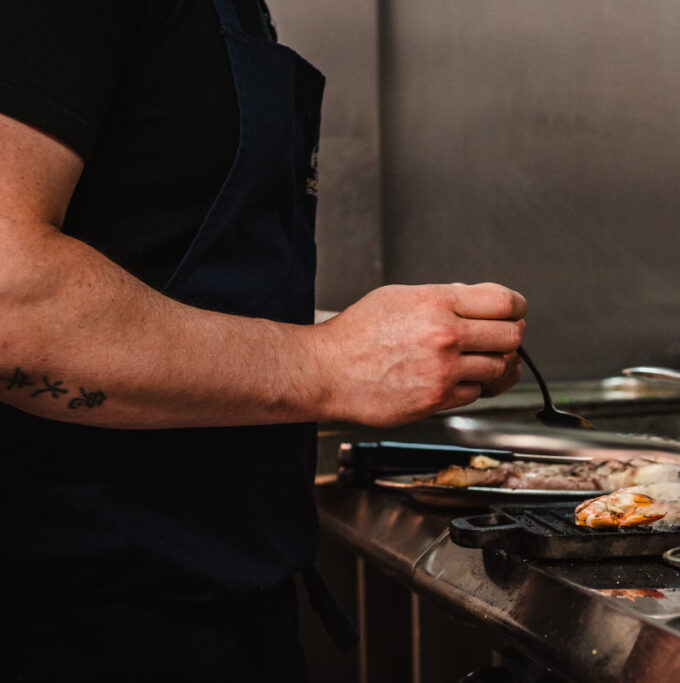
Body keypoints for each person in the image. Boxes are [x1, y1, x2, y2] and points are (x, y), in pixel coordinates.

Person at [0, 1, 526, 680]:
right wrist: (331, 364)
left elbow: (161, 256)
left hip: (222, 610)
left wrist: (395, 348)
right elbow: (11, 301)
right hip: (75, 627)